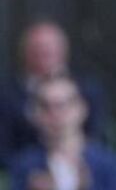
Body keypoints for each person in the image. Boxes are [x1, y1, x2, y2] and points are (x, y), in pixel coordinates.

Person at [0, 21, 109, 165]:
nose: (44, 53)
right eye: (37, 48)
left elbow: (97, 135)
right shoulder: (6, 96)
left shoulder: (88, 89)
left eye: (50, 47)